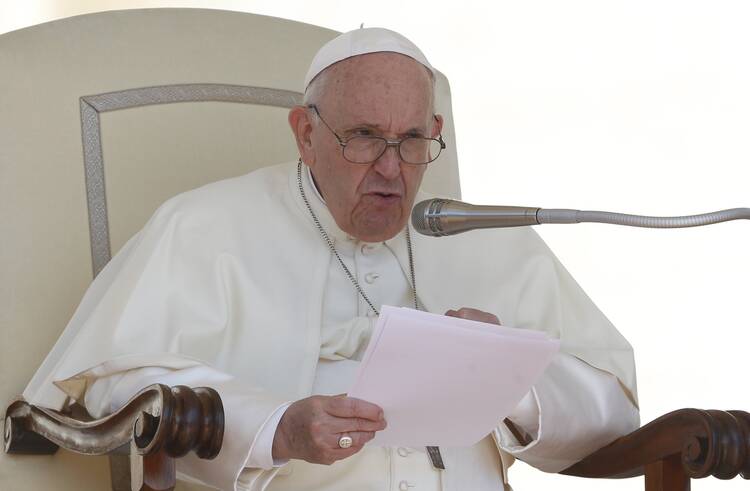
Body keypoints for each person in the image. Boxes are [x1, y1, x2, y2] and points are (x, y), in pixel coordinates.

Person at [23, 28, 640, 491]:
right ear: (305, 133)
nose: (393, 169)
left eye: (413, 141)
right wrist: (274, 427)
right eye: (365, 136)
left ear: (434, 131)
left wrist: (511, 377)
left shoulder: (487, 238)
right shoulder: (204, 226)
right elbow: (114, 383)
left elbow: (613, 417)